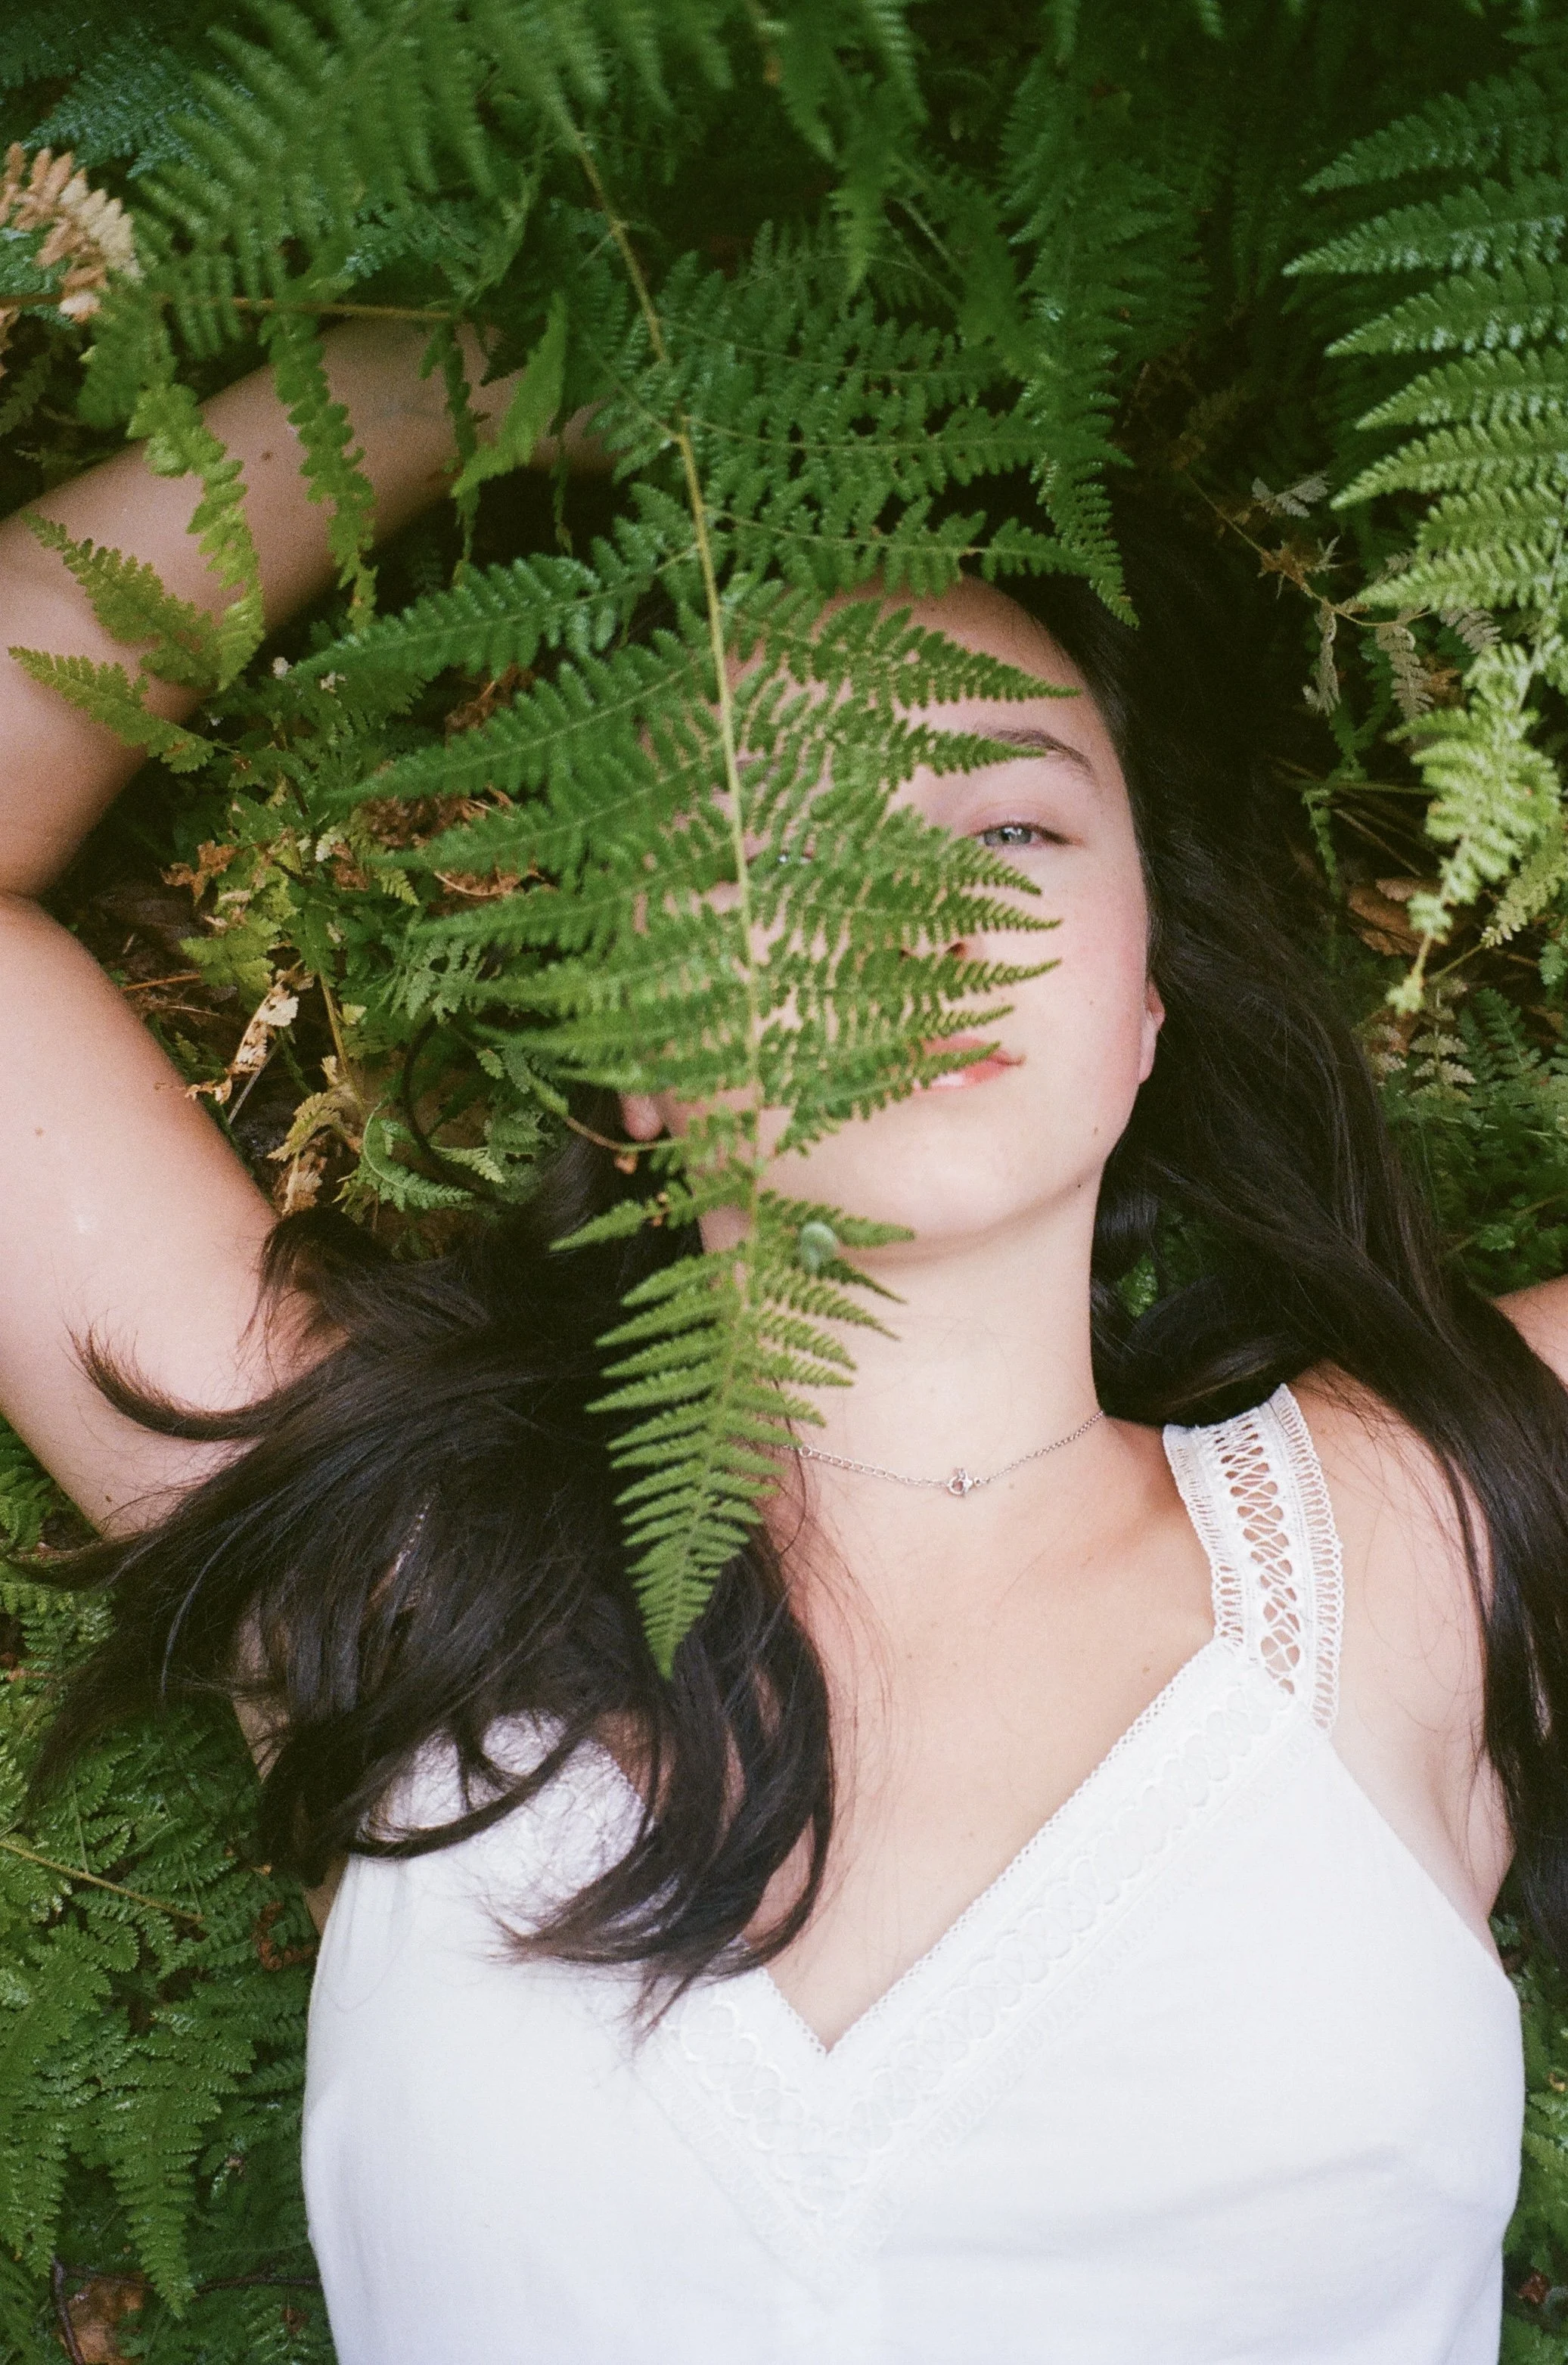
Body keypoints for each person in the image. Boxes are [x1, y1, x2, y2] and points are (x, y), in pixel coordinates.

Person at [4, 318, 1565, 2365]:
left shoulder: (1421, 1540)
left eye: (1008, 833)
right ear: (634, 1042)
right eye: (769, 839)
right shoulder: (398, 1570)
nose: (894, 913)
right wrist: (490, 370)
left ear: (1149, 1001)